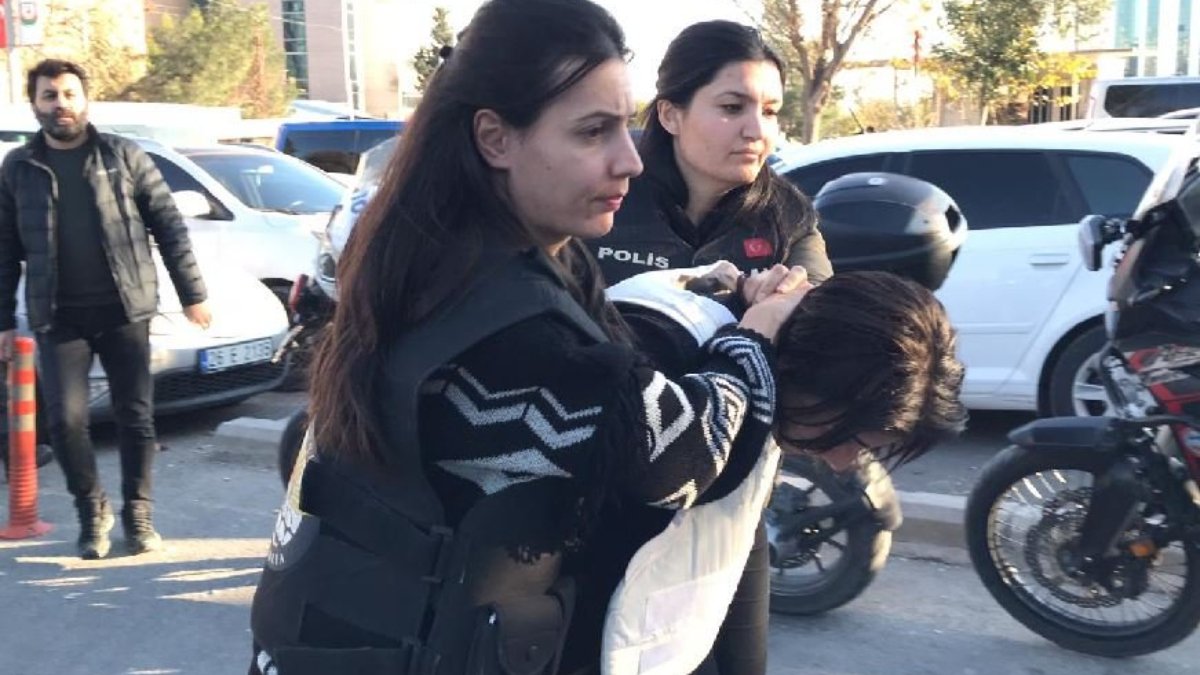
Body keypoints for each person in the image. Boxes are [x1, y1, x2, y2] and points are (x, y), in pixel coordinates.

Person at [247, 1, 809, 674]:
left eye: (623, 126)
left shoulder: (434, 249)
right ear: (495, 138)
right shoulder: (515, 330)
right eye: (593, 132)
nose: (629, 160)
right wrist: (753, 335)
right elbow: (678, 458)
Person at [0, 59, 212, 559]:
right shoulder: (18, 168)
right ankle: (91, 510)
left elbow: (169, 226)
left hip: (125, 310)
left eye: (69, 94)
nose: (61, 104)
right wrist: (3, 321)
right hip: (59, 316)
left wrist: (193, 293)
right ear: (35, 104)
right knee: (66, 422)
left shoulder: (124, 155)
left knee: (135, 416)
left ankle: (139, 512)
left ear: (85, 99)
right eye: (50, 95)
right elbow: (5, 248)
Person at [586, 20, 832, 285]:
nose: (757, 131)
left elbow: (822, 303)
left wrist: (783, 301)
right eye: (732, 107)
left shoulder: (788, 218)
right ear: (670, 116)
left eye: (769, 112)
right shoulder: (602, 199)